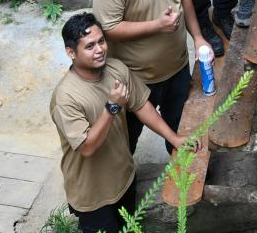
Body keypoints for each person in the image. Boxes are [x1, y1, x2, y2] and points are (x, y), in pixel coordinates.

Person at [51, 12, 188, 233]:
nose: (99, 49)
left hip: (124, 179)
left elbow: (142, 105)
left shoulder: (116, 69)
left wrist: (174, 138)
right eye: (90, 46)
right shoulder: (65, 98)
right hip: (93, 196)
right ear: (71, 53)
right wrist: (112, 107)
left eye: (101, 41)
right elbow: (87, 147)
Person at [92, 0, 209, 153]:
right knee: (126, 142)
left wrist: (198, 37)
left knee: (180, 134)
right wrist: (157, 25)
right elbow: (108, 29)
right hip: (136, 78)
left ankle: (181, 174)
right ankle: (125, 177)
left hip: (177, 68)